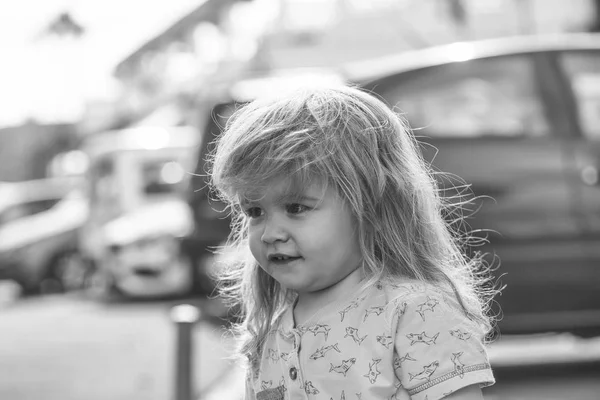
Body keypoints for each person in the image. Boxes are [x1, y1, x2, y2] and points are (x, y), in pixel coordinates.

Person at [208, 84, 498, 400]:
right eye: (255, 211)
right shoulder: (270, 332)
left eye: (296, 208)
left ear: (371, 208)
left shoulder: (416, 312)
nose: (270, 233)